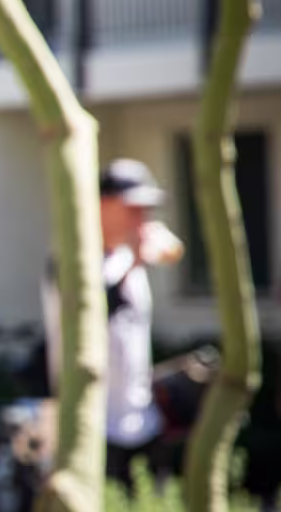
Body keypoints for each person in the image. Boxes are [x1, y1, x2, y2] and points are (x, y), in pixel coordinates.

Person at [41, 158, 183, 487]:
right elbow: (93, 312)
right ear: (102, 206)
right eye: (132, 208)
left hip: (142, 424)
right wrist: (134, 259)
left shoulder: (127, 256)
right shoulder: (70, 261)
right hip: (93, 429)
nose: (141, 218)